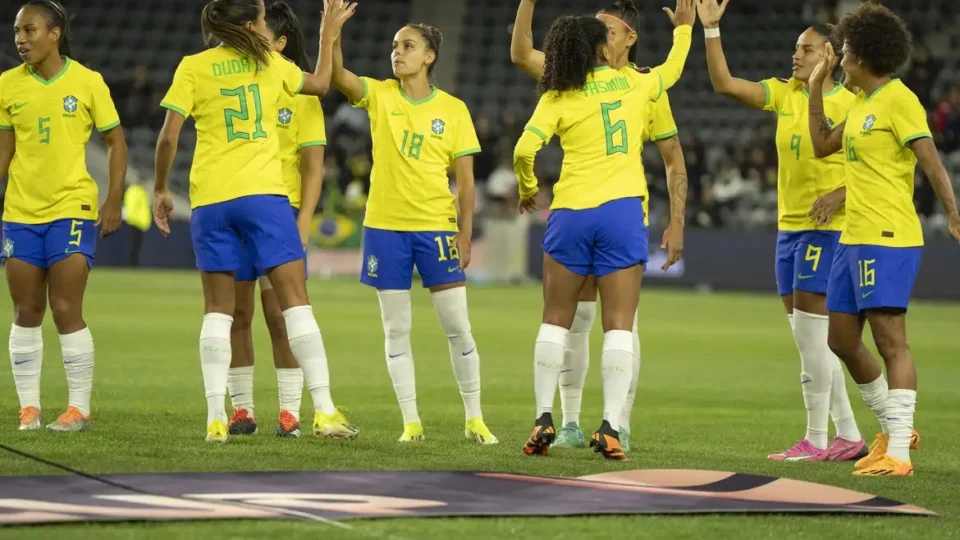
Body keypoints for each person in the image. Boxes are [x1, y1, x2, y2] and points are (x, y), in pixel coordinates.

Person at [153, 0, 358, 443]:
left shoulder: (193, 66)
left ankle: (215, 417)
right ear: (250, 25)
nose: (266, 27)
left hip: (211, 199)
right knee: (295, 304)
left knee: (218, 312)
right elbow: (321, 83)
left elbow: (168, 135)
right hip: (265, 197)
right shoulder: (271, 63)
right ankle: (322, 409)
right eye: (262, 20)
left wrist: (160, 189)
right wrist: (327, 35)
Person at [514, 0, 696, 461]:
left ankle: (543, 417)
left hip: (571, 210)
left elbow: (523, 149)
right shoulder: (640, 85)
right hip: (622, 212)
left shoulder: (559, 91)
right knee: (620, 327)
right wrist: (687, 31)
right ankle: (612, 427)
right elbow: (673, 70)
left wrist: (527, 187)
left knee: (555, 319)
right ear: (600, 46)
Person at [697, 0, 868, 462]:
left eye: (807, 49)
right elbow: (724, 83)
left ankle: (815, 440)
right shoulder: (786, 94)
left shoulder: (852, 105)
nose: (795, 56)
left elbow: (878, 167)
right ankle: (848, 435)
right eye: (796, 48)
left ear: (830, 57)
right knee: (807, 339)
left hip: (828, 230)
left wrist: (840, 193)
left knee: (815, 339)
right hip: (789, 229)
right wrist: (711, 31)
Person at [807, 3, 960, 476]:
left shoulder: (899, 99)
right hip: (853, 238)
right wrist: (815, 89)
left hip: (888, 235)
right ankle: (894, 428)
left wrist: (953, 213)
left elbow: (931, 162)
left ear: (864, 56)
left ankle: (898, 451)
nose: (841, 58)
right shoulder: (857, 105)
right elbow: (820, 145)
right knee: (841, 339)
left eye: (846, 51)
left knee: (892, 340)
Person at [329, 22, 497, 444]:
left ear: (429, 57)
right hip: (385, 227)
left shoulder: (454, 110)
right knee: (396, 329)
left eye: (408, 46)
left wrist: (464, 233)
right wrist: (330, 34)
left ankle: (474, 418)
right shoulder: (380, 94)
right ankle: (411, 422)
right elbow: (337, 76)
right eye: (394, 46)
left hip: (436, 228)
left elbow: (467, 181)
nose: (397, 52)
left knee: (458, 326)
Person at [1, 0, 127, 432]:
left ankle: (78, 409)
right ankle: (29, 408)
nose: (20, 39)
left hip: (72, 206)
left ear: (54, 33)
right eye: (17, 31)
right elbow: (4, 152)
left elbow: (116, 142)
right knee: (26, 309)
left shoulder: (88, 82)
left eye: (29, 30)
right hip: (20, 212)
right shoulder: (7, 86)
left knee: (65, 306)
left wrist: (114, 199)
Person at [225, 1, 328, 440]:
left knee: (281, 315)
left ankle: (290, 412)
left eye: (260, 30)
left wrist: (303, 220)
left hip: (280, 213)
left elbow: (313, 168)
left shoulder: (301, 95)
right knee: (236, 314)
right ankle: (241, 409)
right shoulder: (236, 83)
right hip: (235, 205)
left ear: (281, 42)